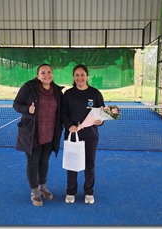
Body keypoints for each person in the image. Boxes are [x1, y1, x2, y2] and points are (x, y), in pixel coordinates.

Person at [13, 64, 64, 207]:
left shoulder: (57, 91)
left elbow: (61, 111)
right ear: (37, 75)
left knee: (44, 161)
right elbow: (16, 104)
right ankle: (34, 190)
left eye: (49, 72)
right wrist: (27, 109)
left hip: (50, 133)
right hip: (32, 132)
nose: (46, 75)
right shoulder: (29, 87)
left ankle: (42, 186)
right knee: (33, 161)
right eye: (43, 73)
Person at [61, 64, 105, 205]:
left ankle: (88, 192)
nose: (80, 78)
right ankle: (71, 192)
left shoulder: (95, 93)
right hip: (72, 136)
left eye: (82, 75)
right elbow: (62, 114)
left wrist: (100, 121)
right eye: (77, 75)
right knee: (72, 165)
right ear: (74, 77)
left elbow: (102, 113)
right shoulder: (68, 94)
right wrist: (69, 126)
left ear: (87, 76)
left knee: (89, 165)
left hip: (91, 136)